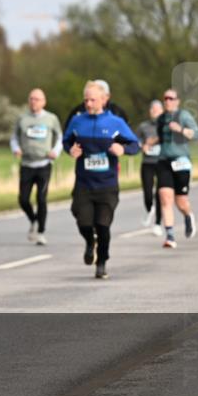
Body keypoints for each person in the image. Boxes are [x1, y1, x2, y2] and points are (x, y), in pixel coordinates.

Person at [63, 81, 140, 279]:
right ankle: (90, 242)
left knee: (103, 226)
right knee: (83, 223)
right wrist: (71, 149)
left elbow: (135, 144)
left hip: (107, 185)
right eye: (86, 100)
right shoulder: (77, 121)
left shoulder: (115, 122)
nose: (88, 104)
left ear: (103, 100)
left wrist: (123, 149)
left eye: (92, 100)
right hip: (84, 184)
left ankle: (102, 262)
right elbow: (66, 140)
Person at [10, 88, 63, 245]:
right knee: (23, 199)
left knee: (41, 198)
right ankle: (33, 219)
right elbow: (14, 137)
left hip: (44, 164)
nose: (34, 102)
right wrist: (16, 149)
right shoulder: (22, 118)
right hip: (27, 164)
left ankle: (41, 232)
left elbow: (59, 137)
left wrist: (55, 151)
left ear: (44, 102)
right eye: (31, 99)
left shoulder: (51, 119)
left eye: (37, 99)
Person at [154, 88, 198, 249]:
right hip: (163, 161)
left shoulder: (184, 116)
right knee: (165, 197)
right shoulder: (161, 119)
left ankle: (188, 215)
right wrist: (149, 143)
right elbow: (161, 138)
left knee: (181, 201)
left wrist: (180, 129)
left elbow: (197, 134)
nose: (167, 101)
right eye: (165, 98)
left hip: (181, 161)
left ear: (177, 101)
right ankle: (170, 235)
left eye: (171, 98)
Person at [137, 100, 164, 235]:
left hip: (162, 163)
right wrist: (143, 146)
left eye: (157, 110)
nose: (155, 112)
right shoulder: (143, 126)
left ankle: (158, 223)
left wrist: (155, 140)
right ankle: (149, 208)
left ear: (162, 111)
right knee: (147, 192)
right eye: (152, 109)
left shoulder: (166, 126)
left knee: (160, 194)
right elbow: (136, 141)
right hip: (147, 163)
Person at [63, 79, 130, 130]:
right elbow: (67, 132)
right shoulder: (79, 111)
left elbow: (128, 136)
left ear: (108, 96)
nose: (89, 104)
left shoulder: (117, 112)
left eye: (103, 96)